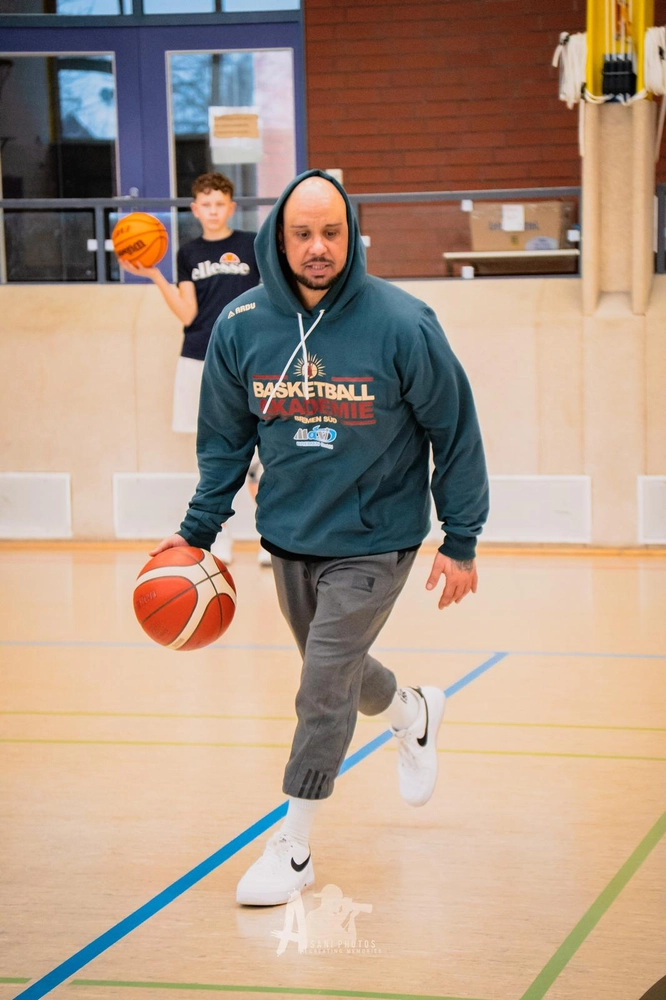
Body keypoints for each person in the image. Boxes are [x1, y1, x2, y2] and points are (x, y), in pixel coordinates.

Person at [150, 169, 489, 907]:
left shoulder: (403, 324)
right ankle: (413, 712)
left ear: (353, 235)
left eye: (331, 232)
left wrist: (460, 538)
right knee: (338, 671)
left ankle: (293, 845)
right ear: (279, 238)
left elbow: (454, 431)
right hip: (291, 539)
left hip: (378, 537)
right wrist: (195, 536)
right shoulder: (240, 326)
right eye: (302, 233)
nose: (317, 247)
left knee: (321, 685)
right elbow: (222, 446)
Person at [120, 171, 265, 565]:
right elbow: (188, 314)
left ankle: (269, 534)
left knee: (262, 452)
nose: (214, 210)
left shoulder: (252, 246)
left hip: (248, 358)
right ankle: (220, 535)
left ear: (231, 207)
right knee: (215, 453)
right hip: (199, 356)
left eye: (221, 204)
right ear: (195, 208)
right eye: (207, 204)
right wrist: (153, 274)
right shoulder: (187, 253)